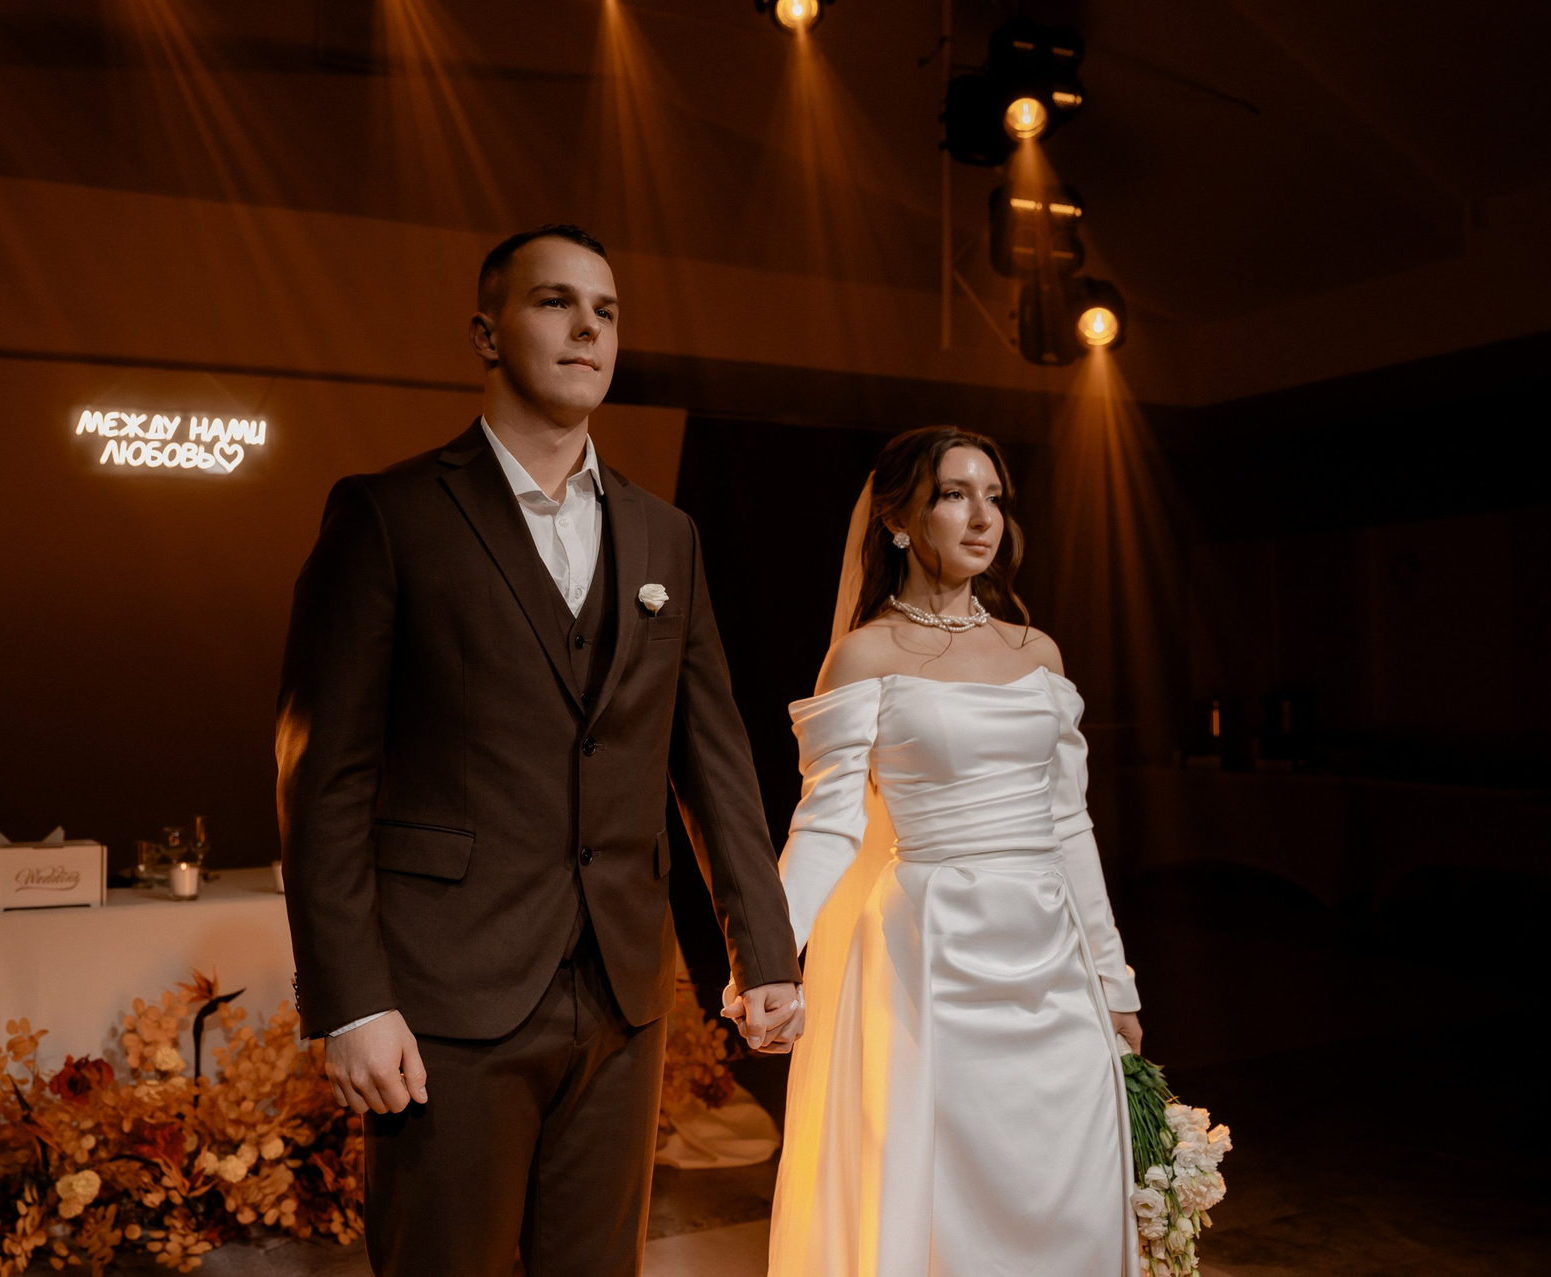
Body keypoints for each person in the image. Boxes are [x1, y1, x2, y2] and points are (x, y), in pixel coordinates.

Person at [275, 223, 805, 1277]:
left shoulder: (667, 536)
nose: (588, 329)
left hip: (621, 995)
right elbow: (323, 776)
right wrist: (352, 999)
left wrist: (765, 949)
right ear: (486, 332)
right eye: (556, 302)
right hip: (446, 993)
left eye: (606, 311)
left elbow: (712, 756)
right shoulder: (390, 514)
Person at [766, 426, 1145, 1276]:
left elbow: (1069, 825)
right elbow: (827, 825)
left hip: (1051, 958)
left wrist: (1113, 978)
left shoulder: (1035, 651)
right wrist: (764, 955)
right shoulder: (862, 655)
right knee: (947, 1192)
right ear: (897, 520)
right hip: (929, 958)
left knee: (1066, 1175)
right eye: (953, 494)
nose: (983, 518)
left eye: (994, 498)